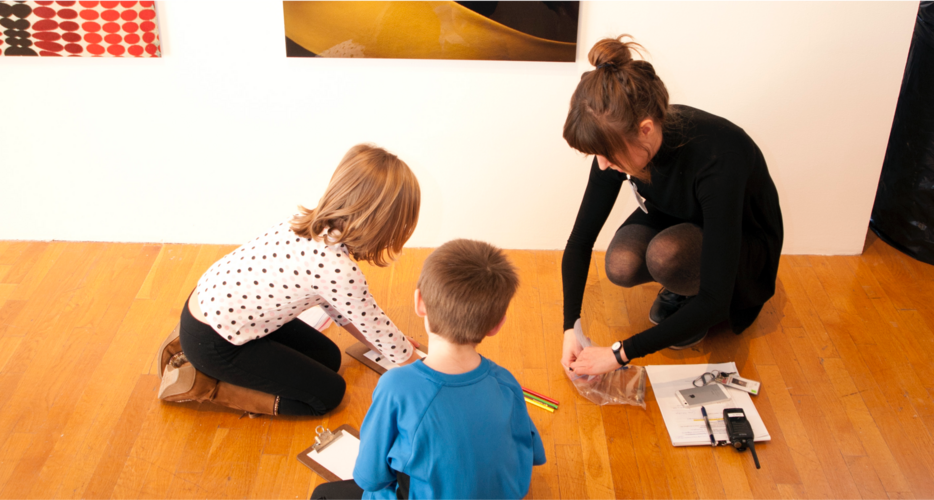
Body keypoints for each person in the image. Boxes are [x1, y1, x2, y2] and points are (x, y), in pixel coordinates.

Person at [560, 35, 783, 376]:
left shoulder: (717, 157)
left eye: (605, 155)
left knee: (665, 255)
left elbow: (716, 298)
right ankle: (682, 284)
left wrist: (620, 354)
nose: (601, 164)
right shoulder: (617, 141)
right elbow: (580, 241)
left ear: (645, 130)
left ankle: (689, 295)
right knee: (620, 262)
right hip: (680, 214)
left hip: (743, 241)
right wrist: (570, 328)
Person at [177, 144, 421, 416]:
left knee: (330, 359)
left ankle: (207, 357)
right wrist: (421, 369)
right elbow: (372, 323)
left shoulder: (305, 224)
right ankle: (209, 386)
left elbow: (351, 314)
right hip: (214, 342)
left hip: (208, 310)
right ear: (381, 222)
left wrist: (396, 347)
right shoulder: (338, 269)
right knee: (328, 395)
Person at [310, 239, 546, 500]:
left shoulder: (396, 386)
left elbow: (371, 477)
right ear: (496, 325)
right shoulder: (506, 382)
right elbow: (530, 452)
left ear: (419, 301)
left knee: (323, 494)